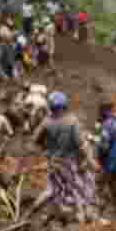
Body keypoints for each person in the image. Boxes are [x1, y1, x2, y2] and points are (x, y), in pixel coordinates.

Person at [25, 92, 98, 224]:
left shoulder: (47, 122)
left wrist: (46, 151)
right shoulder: (71, 122)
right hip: (69, 163)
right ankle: (81, 222)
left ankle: (31, 212)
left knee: (53, 189)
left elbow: (34, 141)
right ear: (64, 106)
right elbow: (82, 145)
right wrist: (91, 160)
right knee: (79, 190)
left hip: (54, 163)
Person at [95, 99, 116, 218]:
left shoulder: (106, 125)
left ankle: (97, 214)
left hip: (107, 162)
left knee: (99, 188)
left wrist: (98, 157)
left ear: (104, 111)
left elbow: (103, 146)